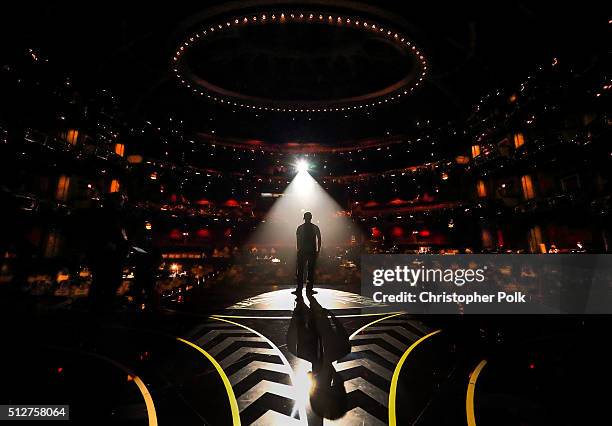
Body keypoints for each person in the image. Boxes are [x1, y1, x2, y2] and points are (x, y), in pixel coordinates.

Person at [294, 211, 321, 294]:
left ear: (304, 218)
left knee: (301, 270)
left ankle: (299, 288)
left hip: (302, 251)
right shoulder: (315, 227)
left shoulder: (300, 228)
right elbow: (319, 239)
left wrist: (298, 250)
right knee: (310, 270)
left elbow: (298, 241)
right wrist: (318, 250)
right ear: (311, 218)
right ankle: (309, 289)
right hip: (311, 251)